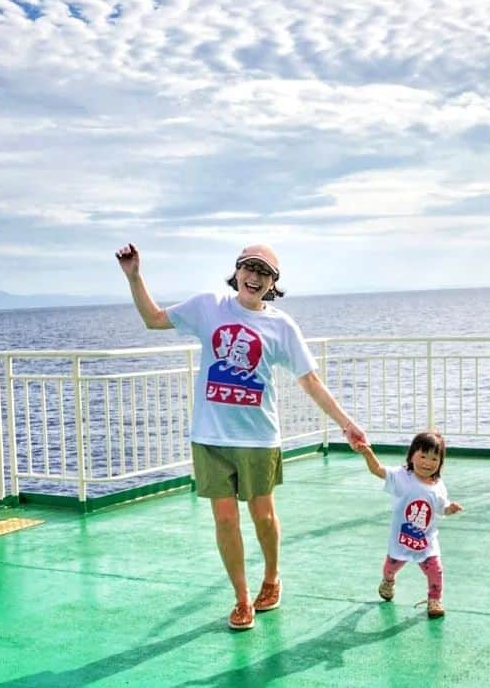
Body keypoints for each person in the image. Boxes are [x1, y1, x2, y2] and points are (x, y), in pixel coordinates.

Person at [115, 241, 367, 631]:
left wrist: (345, 423)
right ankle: (242, 597)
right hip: (210, 436)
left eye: (263, 272)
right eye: (248, 268)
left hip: (258, 438)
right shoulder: (208, 307)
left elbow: (310, 380)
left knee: (263, 516)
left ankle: (272, 577)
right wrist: (134, 276)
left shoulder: (281, 326)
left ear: (273, 283)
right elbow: (154, 318)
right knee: (225, 519)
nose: (254, 277)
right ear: (236, 272)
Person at [353, 430, 463, 618]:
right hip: (401, 539)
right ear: (411, 456)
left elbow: (441, 507)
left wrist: (449, 509)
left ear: (441, 463)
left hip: (425, 542)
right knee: (390, 567)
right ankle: (388, 581)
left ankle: (434, 599)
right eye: (422, 456)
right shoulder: (401, 476)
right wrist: (368, 454)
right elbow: (377, 470)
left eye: (434, 459)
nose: (428, 463)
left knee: (436, 571)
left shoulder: (438, 485)